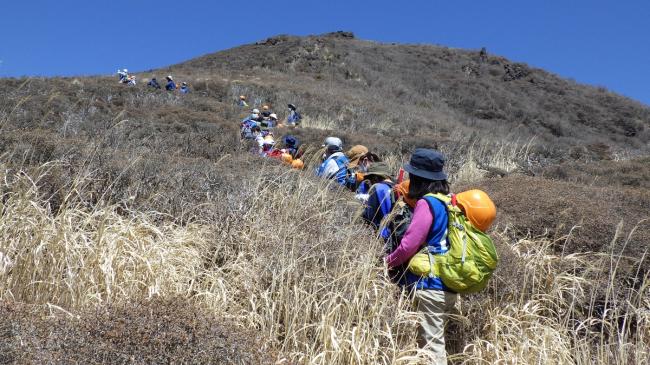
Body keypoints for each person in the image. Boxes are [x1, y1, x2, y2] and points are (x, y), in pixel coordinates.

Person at [385, 148, 457, 364]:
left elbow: (409, 245)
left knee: (432, 351)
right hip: (450, 283)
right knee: (432, 343)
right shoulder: (451, 201)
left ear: (417, 178)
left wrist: (387, 262)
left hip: (430, 285)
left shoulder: (427, 203)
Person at [360, 161, 395, 239]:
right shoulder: (397, 187)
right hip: (394, 235)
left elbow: (370, 216)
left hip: (382, 235)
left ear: (375, 178)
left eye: (370, 179)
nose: (370, 183)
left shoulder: (377, 188)